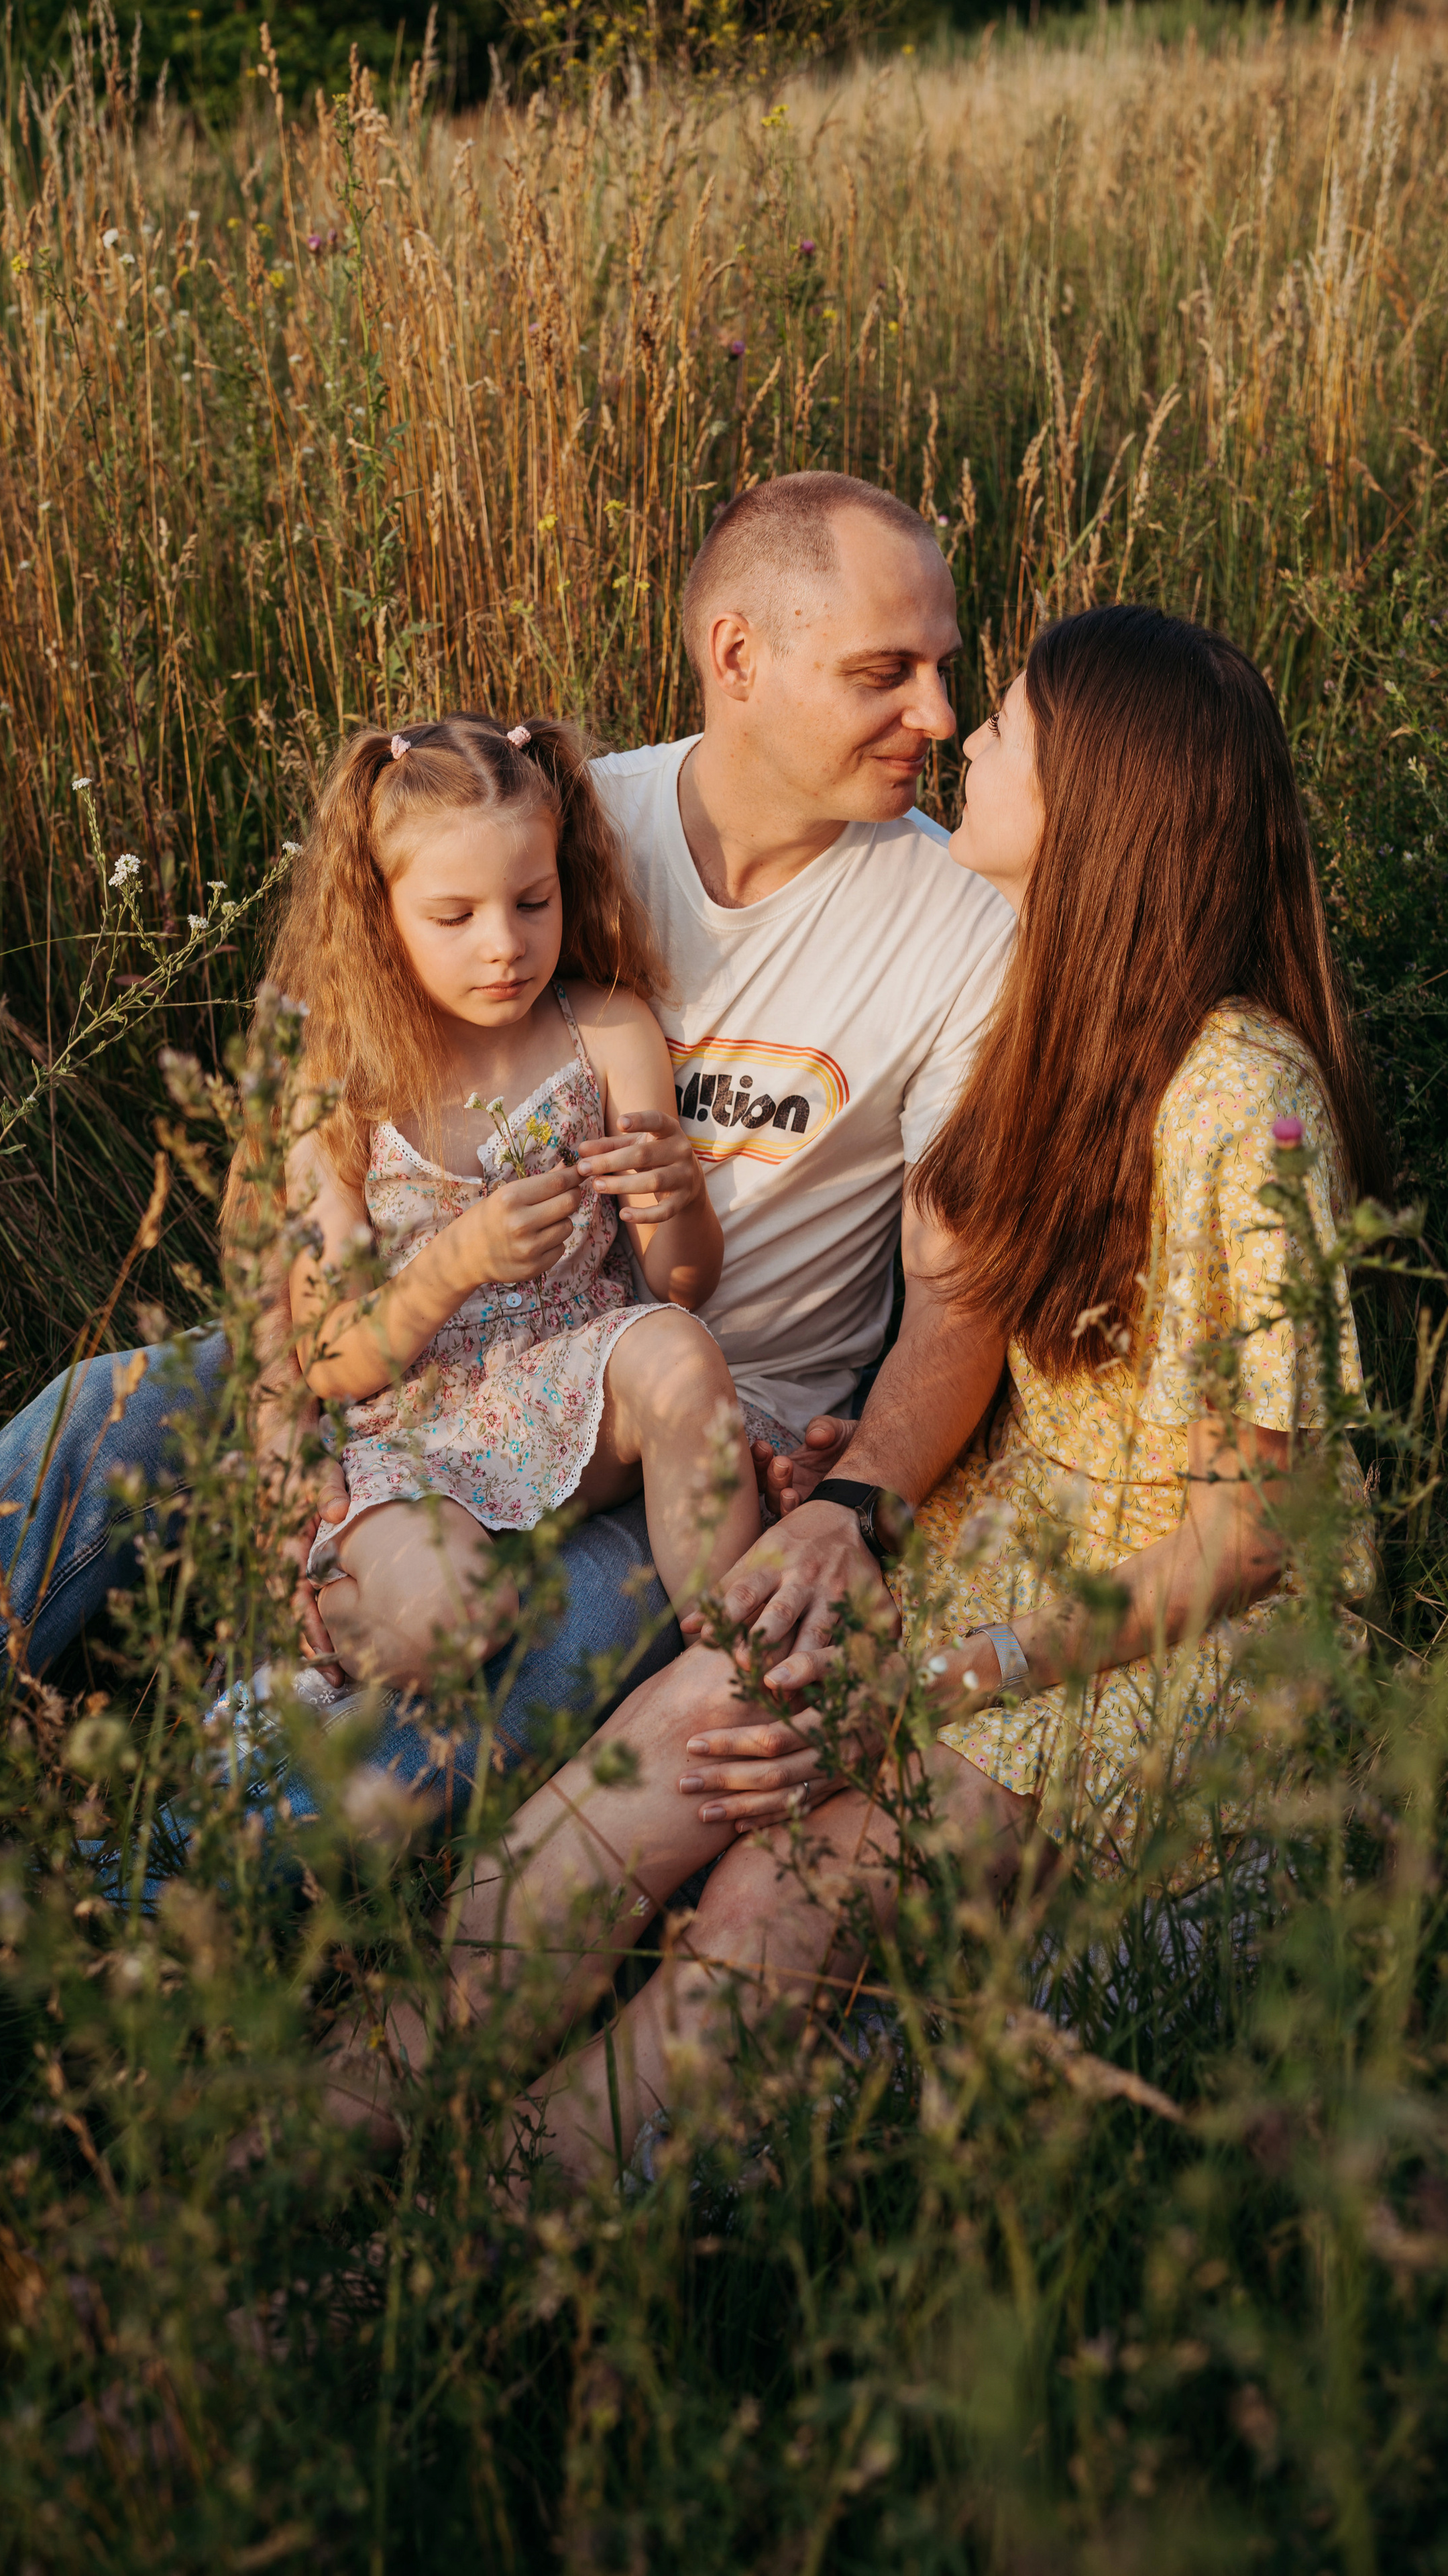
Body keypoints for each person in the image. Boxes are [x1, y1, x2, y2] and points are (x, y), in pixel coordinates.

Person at [423, 604, 1388, 2189]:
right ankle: (296, 2153)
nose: (960, 737)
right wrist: (857, 1490)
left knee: (761, 1913)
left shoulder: (1241, 1096)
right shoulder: (1044, 1017)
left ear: (1100, 803)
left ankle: (422, 2264)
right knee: (612, 1812)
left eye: (1001, 724)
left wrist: (947, 1676)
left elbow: (1258, 1532)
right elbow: (986, 1341)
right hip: (986, 1547)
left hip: (1168, 1638)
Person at [0, 472, 1015, 1800]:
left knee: (453, 1718)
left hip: (685, 1426)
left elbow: (962, 1292)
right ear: (737, 656)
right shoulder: (541, 825)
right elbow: (287, 1175)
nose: (939, 716)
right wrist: (289, 1472)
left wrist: (853, 1507)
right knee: (106, 1414)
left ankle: (118, 1930)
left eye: (943, 669)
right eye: (882, 672)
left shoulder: (963, 924)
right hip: (405, 1359)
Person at [247, 712, 757, 1690]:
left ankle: (730, 1661)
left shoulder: (604, 1028)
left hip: (575, 1384)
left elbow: (679, 1285)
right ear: (379, 916)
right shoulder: (345, 1086)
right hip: (415, 1428)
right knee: (455, 1624)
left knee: (682, 1356)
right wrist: (456, 1262)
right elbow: (331, 1357)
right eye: (455, 916)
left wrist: (681, 1198)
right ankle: (334, 1612)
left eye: (533, 901)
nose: (505, 947)